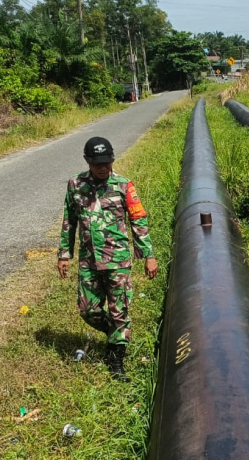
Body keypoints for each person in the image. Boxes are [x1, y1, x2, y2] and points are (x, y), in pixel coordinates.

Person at [58, 136, 158, 382]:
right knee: (88, 310)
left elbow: (138, 220)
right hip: (89, 261)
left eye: (107, 162)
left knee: (119, 310)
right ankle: (116, 333)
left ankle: (116, 359)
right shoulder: (75, 184)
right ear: (87, 160)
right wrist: (64, 254)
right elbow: (69, 221)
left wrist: (148, 255)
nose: (103, 168)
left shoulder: (123, 185)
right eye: (97, 164)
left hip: (118, 260)